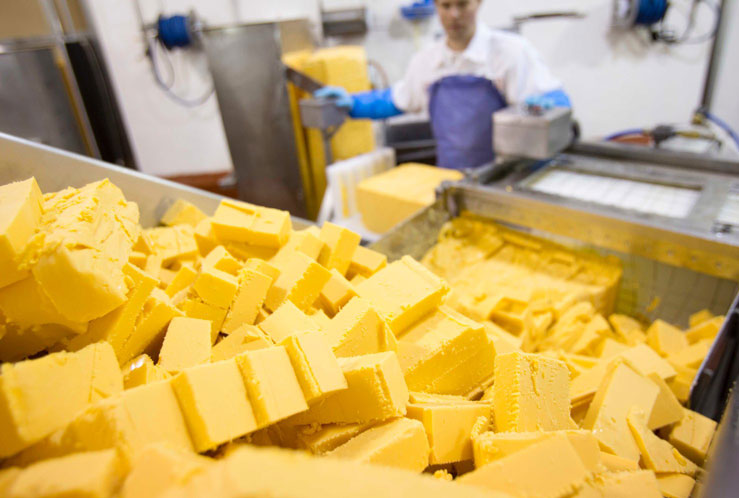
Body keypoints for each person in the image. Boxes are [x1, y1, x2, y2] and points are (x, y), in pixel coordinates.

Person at [315, 0, 571, 170]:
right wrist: (353, 104)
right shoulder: (427, 60)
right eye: (445, 5)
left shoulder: (510, 53)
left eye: (462, 3)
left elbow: (553, 103)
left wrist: (552, 105)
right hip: (451, 176)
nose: (454, 15)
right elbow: (398, 99)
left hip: (503, 175)